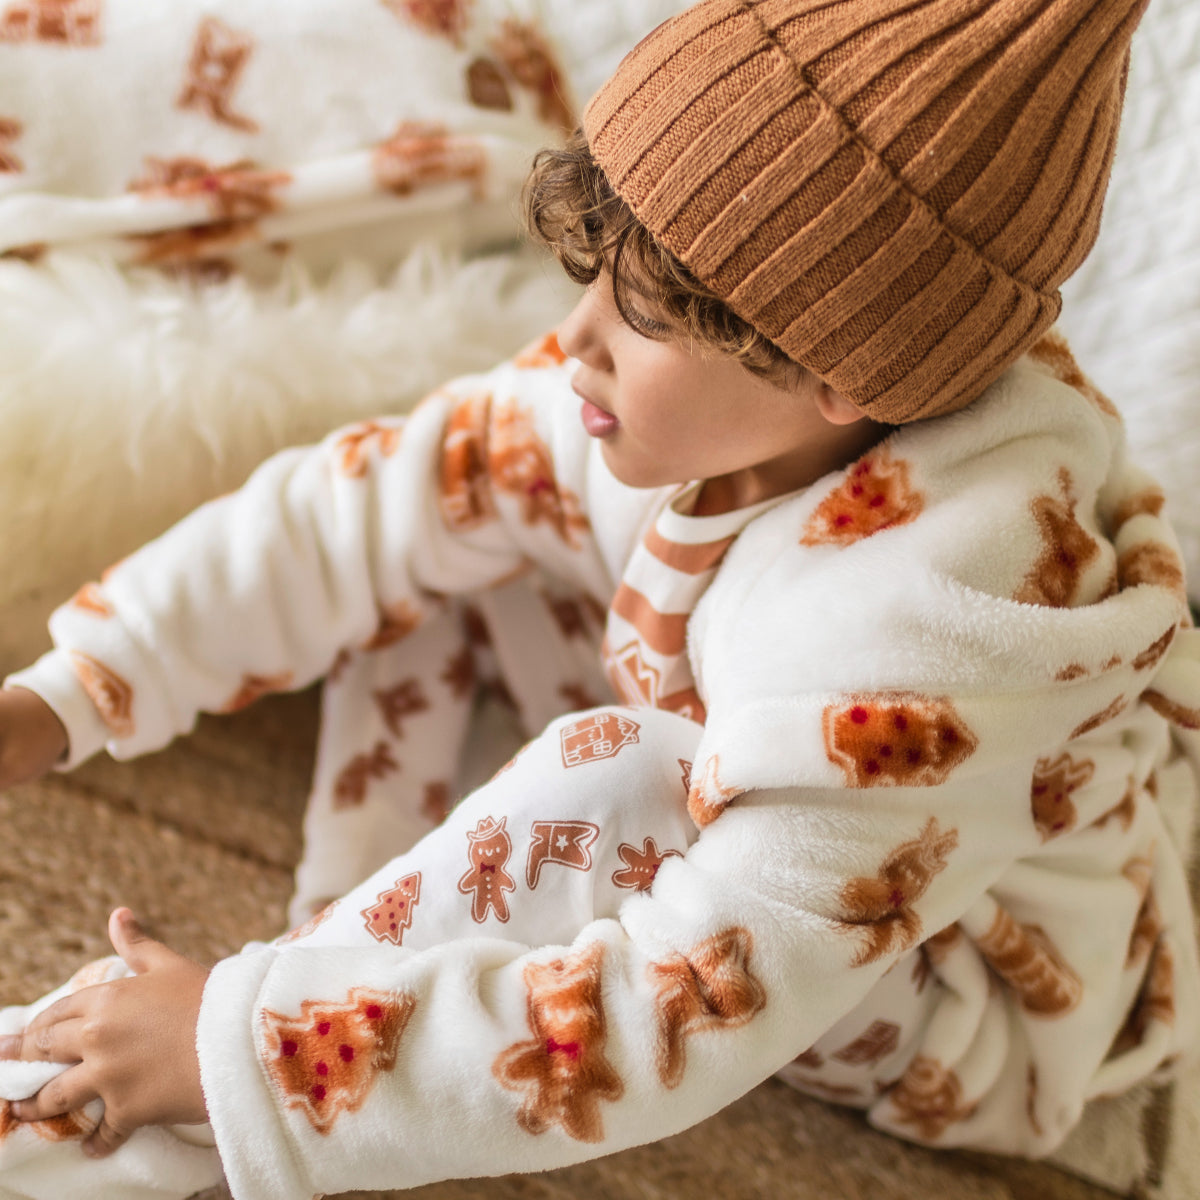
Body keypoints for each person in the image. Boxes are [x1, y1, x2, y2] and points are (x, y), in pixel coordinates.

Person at [1, 0, 1198, 1196]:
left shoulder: (913, 647)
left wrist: (248, 1052)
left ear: (839, 372)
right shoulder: (672, 399)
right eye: (594, 266)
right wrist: (62, 698)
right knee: (441, 538)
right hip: (752, 725)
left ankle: (89, 1125)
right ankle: (328, 940)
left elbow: (673, 1010)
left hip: (960, 999)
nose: (575, 336)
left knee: (618, 776)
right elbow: (357, 506)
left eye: (649, 310)